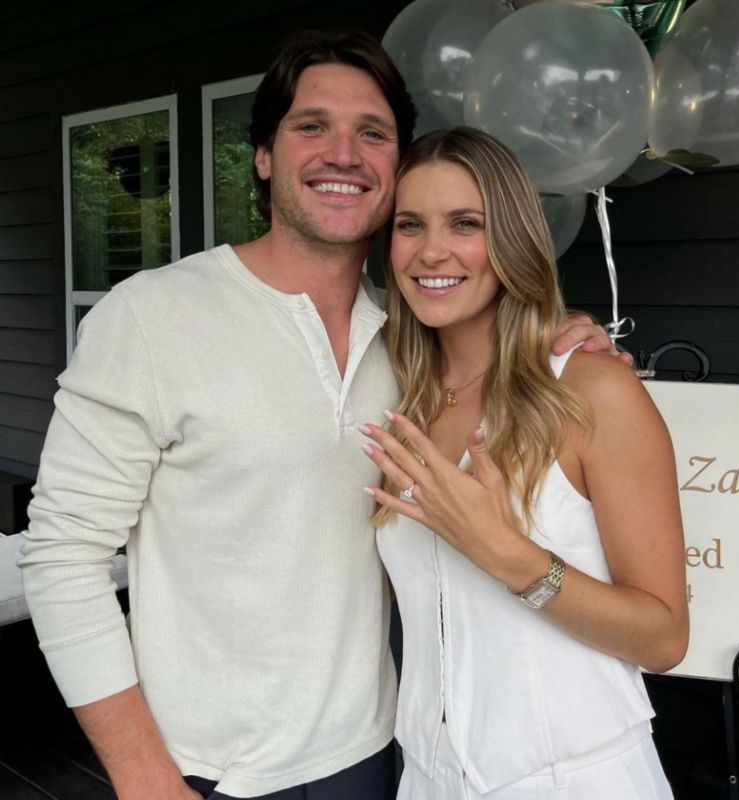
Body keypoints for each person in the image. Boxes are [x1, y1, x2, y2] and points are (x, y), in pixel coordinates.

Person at [20, 33, 623, 800]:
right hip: (201, 771)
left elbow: (495, 345)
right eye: (312, 126)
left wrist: (554, 335)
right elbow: (62, 556)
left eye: (372, 133)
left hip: (378, 753)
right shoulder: (149, 317)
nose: (344, 153)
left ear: (396, 167)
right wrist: (144, 777)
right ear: (263, 155)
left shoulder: (414, 339)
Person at [360, 127, 689, 800]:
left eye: (466, 224)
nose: (431, 251)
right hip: (427, 777)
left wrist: (509, 555)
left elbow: (663, 639)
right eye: (409, 224)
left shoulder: (592, 390)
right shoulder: (396, 392)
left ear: (512, 238)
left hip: (575, 780)